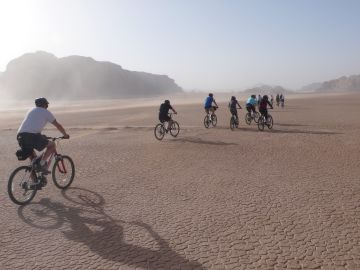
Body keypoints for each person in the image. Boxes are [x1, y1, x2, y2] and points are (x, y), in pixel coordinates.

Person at [16, 97, 70, 172]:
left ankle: (35, 181)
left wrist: (40, 136)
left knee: (33, 162)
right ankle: (41, 164)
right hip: (31, 136)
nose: (47, 107)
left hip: (20, 136)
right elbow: (58, 125)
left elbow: (32, 126)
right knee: (52, 145)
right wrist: (65, 135)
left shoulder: (30, 110)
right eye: (47, 105)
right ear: (45, 105)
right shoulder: (45, 112)